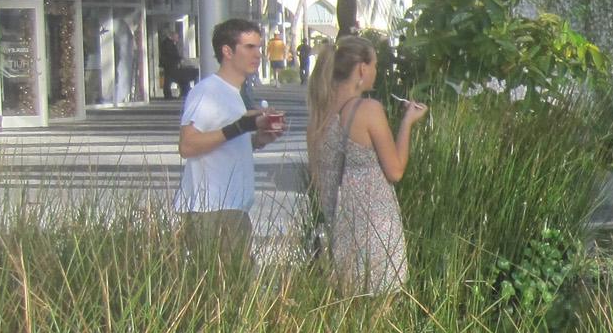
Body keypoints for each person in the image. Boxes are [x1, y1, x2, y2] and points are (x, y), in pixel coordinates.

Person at [307, 35, 428, 293]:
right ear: (362, 68)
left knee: (346, 314)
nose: (376, 71)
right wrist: (407, 123)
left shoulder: (318, 115)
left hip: (338, 230)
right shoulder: (368, 109)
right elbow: (395, 171)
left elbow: (317, 179)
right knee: (380, 315)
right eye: (374, 65)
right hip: (376, 228)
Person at [174, 19, 282, 264]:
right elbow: (187, 145)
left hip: (231, 207)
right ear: (227, 51)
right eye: (249, 47)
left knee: (236, 288)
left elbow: (222, 142)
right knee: (228, 290)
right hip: (213, 209)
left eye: (259, 47)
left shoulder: (235, 93)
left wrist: (256, 140)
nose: (258, 54)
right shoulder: (209, 91)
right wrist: (242, 126)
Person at [157, 29, 181, 98]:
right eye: (176, 37)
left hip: (169, 64)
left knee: (168, 79)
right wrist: (178, 58)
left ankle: (168, 94)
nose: (177, 39)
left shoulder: (168, 43)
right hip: (169, 64)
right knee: (168, 79)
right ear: (172, 36)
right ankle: (168, 94)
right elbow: (171, 54)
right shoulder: (168, 43)